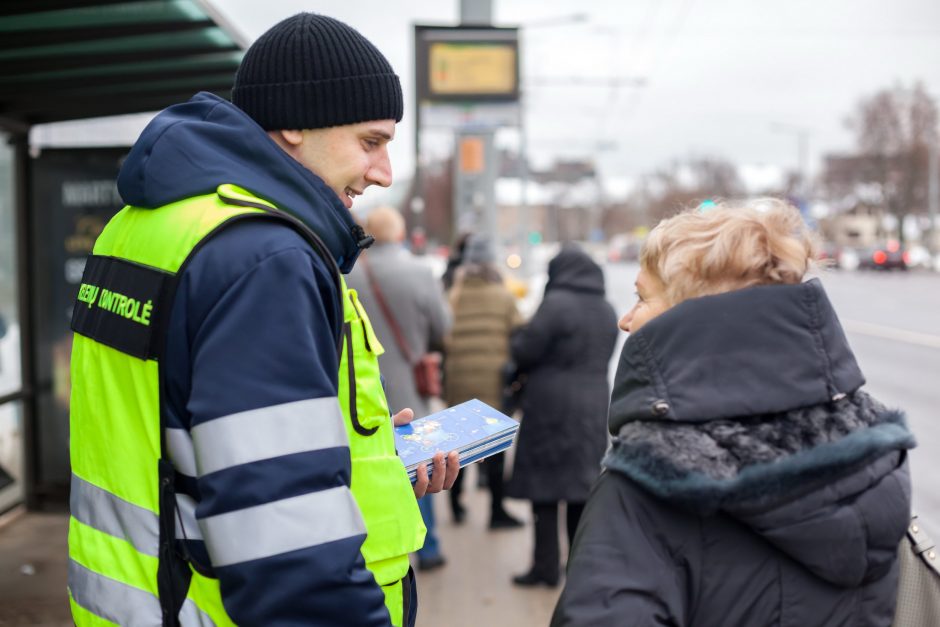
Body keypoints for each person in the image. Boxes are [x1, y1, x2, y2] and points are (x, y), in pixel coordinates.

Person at [67, 13, 458, 627]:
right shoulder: (265, 257)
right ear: (297, 123)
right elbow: (285, 543)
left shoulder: (142, 226)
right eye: (371, 142)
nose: (383, 173)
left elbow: (192, 433)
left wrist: (363, 456)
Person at [551, 200, 915, 626]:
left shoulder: (652, 482)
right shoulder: (864, 460)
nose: (626, 320)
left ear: (692, 318)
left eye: (642, 297)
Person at [347, 206, 452, 571]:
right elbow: (443, 329)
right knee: (420, 462)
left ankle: (376, 546)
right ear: (402, 233)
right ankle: (428, 547)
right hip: (410, 386)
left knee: (374, 463)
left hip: (362, 389)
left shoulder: (348, 274)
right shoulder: (421, 273)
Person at [506, 245, 618, 587]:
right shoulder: (606, 308)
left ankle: (545, 568)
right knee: (580, 490)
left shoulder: (555, 305)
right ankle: (578, 570)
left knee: (545, 489)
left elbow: (525, 349)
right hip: (594, 405)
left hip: (550, 407)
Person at [444, 235, 524, 529]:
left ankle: (455, 506)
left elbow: (442, 337)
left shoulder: (454, 295)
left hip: (458, 382)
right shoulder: (503, 296)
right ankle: (496, 511)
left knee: (457, 447)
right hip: (492, 382)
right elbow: (519, 334)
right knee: (494, 451)